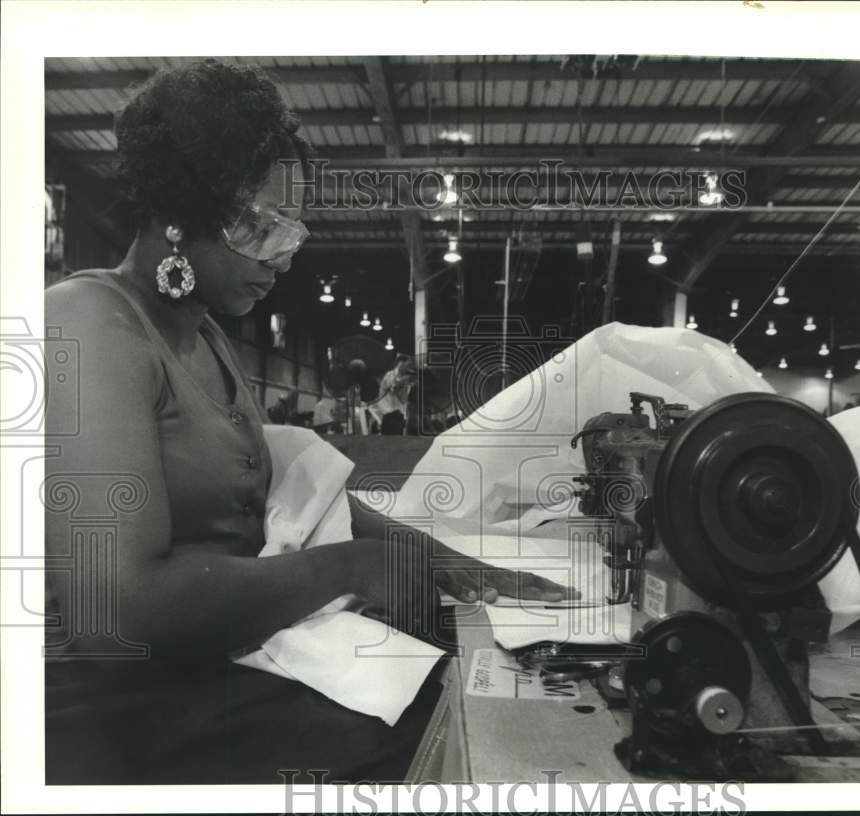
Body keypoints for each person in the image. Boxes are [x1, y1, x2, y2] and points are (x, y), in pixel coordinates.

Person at [43, 60, 575, 785]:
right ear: (179, 214)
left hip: (209, 664)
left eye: (290, 233)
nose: (283, 259)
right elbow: (116, 616)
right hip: (115, 708)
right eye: (261, 229)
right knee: (437, 736)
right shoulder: (88, 323)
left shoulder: (205, 338)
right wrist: (350, 568)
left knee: (454, 681)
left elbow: (290, 496)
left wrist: (456, 566)